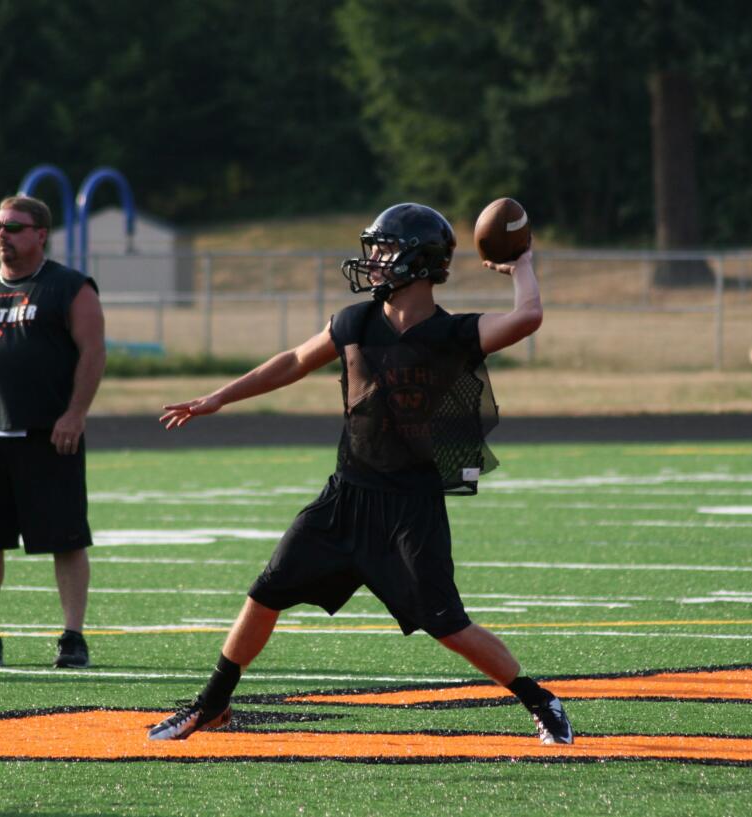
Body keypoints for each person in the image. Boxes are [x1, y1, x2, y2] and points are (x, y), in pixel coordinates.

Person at [148, 202, 573, 745]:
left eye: (385, 248)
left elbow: (528, 317)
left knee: (448, 624)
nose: (373, 259)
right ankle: (212, 704)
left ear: (418, 262)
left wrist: (522, 266)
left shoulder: (453, 334)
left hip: (409, 508)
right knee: (265, 592)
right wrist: (219, 397)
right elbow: (293, 360)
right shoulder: (354, 322)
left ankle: (541, 698)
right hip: (345, 495)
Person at [0, 194, 106, 670]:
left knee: (66, 539)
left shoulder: (68, 287)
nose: (2, 235)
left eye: (14, 227)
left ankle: (72, 637)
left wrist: (76, 413)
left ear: (40, 234)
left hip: (50, 435)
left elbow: (93, 351)